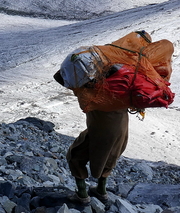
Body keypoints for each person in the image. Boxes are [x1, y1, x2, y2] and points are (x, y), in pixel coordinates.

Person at [54, 70, 127, 205]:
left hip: (100, 132)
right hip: (121, 131)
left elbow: (59, 77)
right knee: (109, 158)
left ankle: (82, 195)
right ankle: (101, 191)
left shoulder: (90, 89)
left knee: (75, 155)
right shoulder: (122, 87)